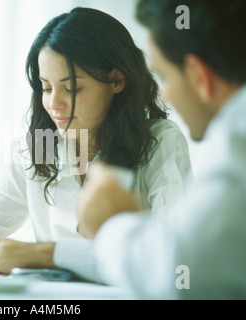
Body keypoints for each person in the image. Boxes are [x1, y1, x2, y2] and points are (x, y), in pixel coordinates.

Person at [0, 7, 191, 276]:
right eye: (46, 88)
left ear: (116, 80)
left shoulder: (159, 141)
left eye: (72, 88)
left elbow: (174, 252)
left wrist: (39, 255)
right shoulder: (39, 145)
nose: (55, 104)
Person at [76, 0, 246, 299]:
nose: (164, 96)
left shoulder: (235, 150)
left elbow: (181, 273)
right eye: (45, 87)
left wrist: (112, 224)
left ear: (199, 76)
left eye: (164, 77)